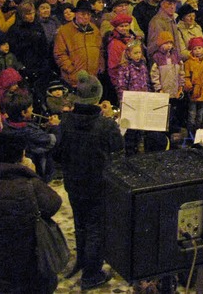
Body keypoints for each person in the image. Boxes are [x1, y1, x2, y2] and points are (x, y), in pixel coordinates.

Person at [0, 132, 62, 293]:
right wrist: (32, 173)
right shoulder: (29, 184)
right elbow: (53, 204)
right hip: (31, 255)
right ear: (19, 155)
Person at [56, 70, 124, 290]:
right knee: (95, 227)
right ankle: (91, 274)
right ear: (96, 98)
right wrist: (111, 120)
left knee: (80, 223)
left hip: (73, 182)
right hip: (97, 184)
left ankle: (83, 261)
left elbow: (58, 154)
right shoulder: (105, 125)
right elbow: (118, 147)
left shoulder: (65, 122)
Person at [3, 91, 60, 182]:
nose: (32, 109)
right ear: (23, 113)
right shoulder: (28, 131)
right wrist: (55, 126)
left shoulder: (7, 125)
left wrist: (45, 126)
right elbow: (52, 141)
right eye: (30, 107)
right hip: (36, 167)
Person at [53, 0, 104, 89]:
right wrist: (71, 70)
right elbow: (59, 54)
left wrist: (100, 64)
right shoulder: (64, 31)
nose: (86, 17)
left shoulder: (95, 30)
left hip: (92, 79)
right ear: (76, 14)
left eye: (88, 14)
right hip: (73, 80)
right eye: (83, 14)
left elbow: (100, 49)